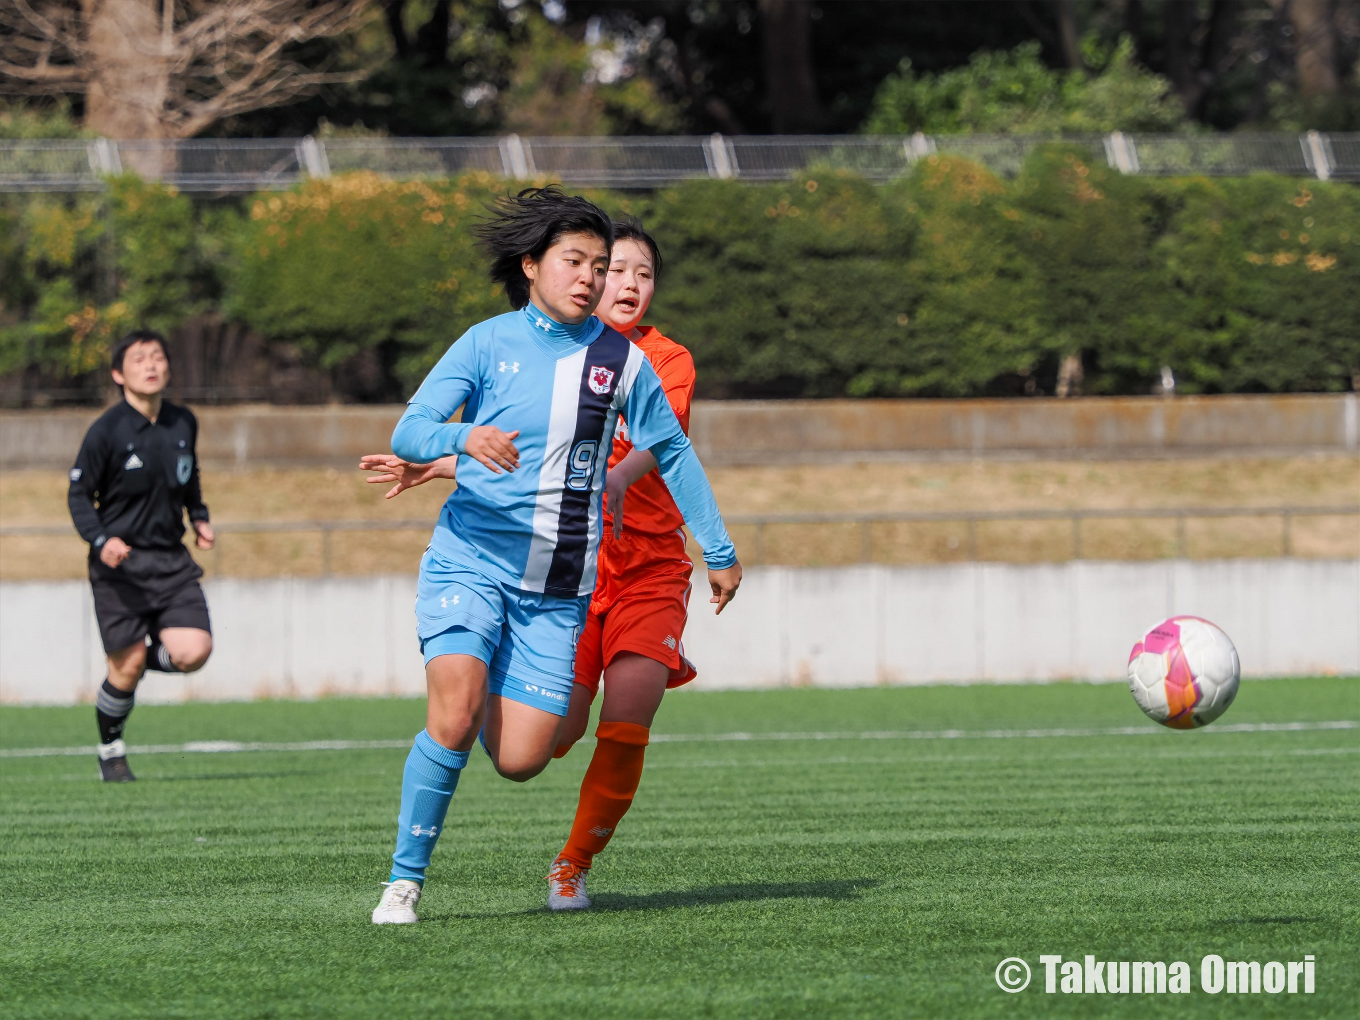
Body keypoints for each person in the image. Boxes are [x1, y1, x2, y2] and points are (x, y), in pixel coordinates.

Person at [366, 187, 741, 925]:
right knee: (453, 714)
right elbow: (411, 430)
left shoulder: (624, 364)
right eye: (577, 261)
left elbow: (671, 450)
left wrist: (719, 547)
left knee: (521, 760)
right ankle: (403, 882)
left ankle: (494, 691)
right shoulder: (485, 343)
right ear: (532, 264)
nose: (593, 278)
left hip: (558, 588)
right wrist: (459, 438)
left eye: (601, 265)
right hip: (469, 560)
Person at [67, 330, 215, 783]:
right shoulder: (106, 431)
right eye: (138, 359)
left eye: (157, 357)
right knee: (126, 668)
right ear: (119, 374)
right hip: (119, 568)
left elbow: (189, 479)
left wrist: (200, 517)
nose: (150, 365)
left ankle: (133, 657)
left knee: (194, 651)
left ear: (168, 367)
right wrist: (100, 540)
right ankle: (110, 750)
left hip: (171, 561)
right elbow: (78, 494)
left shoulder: (183, 421)